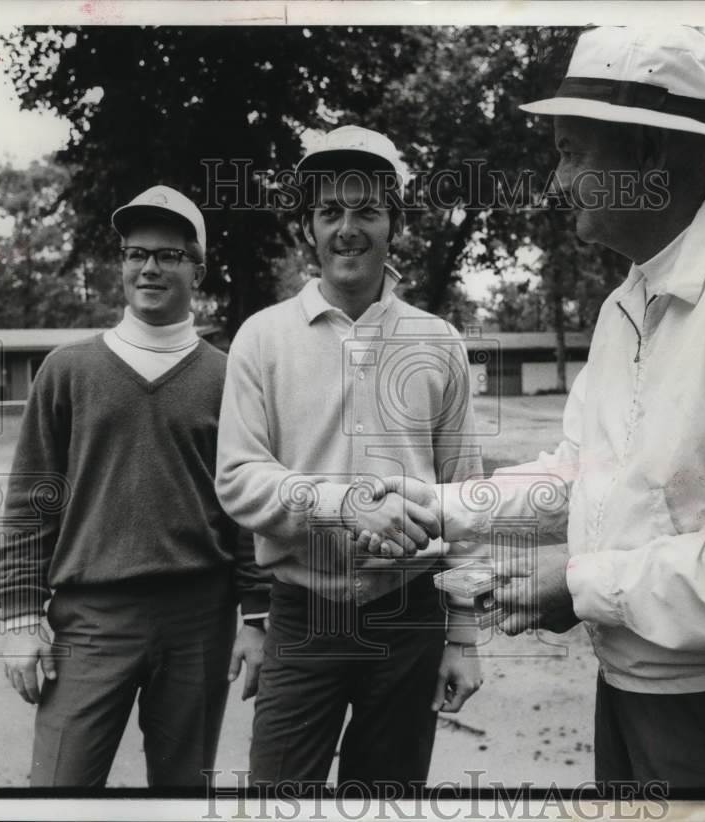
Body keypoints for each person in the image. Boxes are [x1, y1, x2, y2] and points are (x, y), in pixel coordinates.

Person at [374, 26, 705, 789]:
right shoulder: (632, 300)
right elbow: (587, 476)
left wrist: (581, 585)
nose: (555, 184)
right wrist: (446, 506)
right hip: (638, 701)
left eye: (570, 151)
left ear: (652, 157)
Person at [215, 125, 484, 789]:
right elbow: (240, 480)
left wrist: (463, 635)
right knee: (278, 797)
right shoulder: (262, 338)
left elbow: (465, 494)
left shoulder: (438, 340)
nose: (347, 228)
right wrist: (342, 506)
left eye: (366, 210)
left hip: (409, 616)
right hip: (304, 616)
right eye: (330, 211)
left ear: (395, 223)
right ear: (309, 227)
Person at [0, 185, 270, 788]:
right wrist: (17, 618)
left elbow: (247, 508)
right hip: (91, 618)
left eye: (169, 255)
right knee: (58, 788)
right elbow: (29, 501)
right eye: (135, 253)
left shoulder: (230, 377)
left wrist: (258, 617)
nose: (149, 267)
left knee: (180, 792)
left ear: (198, 270)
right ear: (120, 264)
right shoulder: (68, 370)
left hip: (199, 617)